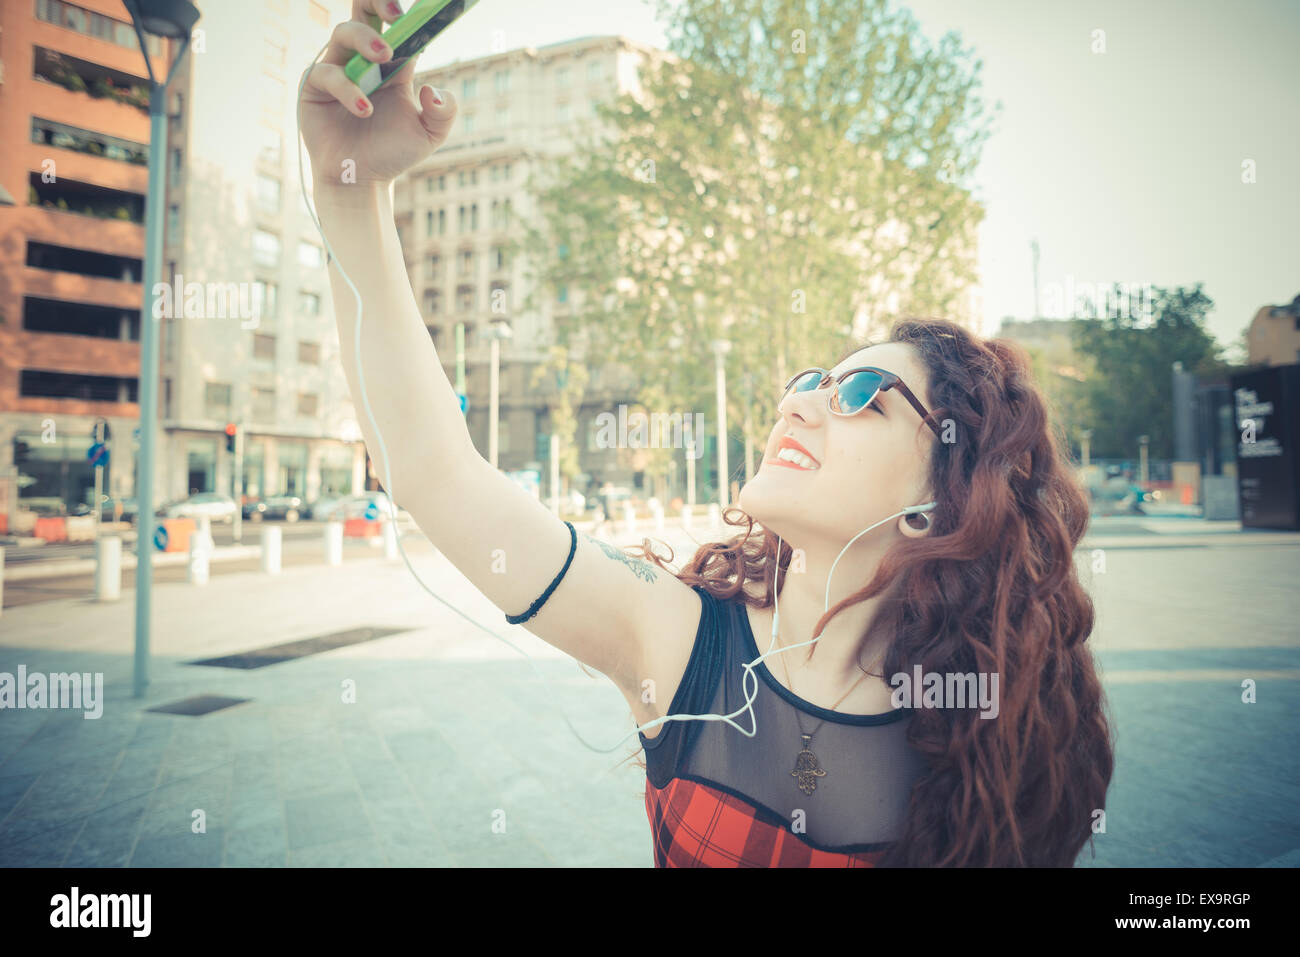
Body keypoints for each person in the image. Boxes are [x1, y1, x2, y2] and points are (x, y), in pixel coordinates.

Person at [300, 4, 1114, 867]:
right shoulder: (681, 641)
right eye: (812, 381)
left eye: (865, 395)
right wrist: (348, 188)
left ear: (941, 497)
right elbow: (434, 470)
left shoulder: (984, 734)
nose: (799, 403)